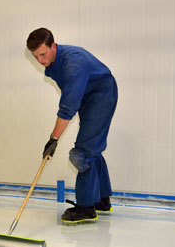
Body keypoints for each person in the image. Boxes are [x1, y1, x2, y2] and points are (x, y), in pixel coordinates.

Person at [26, 28, 118, 223]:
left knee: (81, 153)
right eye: (35, 57)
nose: (40, 61)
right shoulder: (55, 62)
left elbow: (67, 109)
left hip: (101, 96)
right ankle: (102, 200)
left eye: (43, 54)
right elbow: (70, 98)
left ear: (53, 46)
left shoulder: (72, 64)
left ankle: (86, 208)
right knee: (92, 149)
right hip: (89, 96)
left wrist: (53, 139)